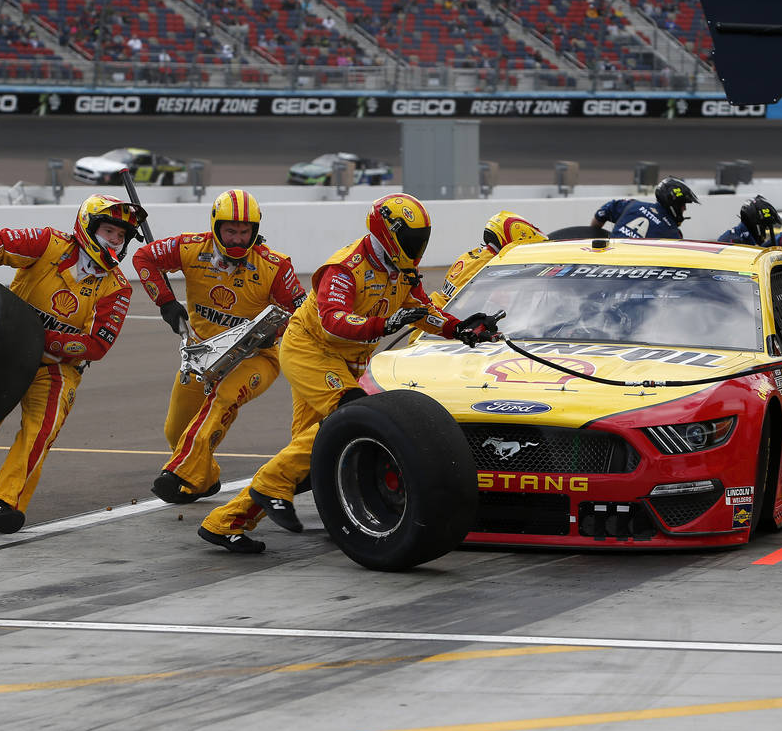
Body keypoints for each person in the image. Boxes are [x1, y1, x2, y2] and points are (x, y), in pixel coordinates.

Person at [197, 193, 503, 553]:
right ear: (388, 233)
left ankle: (225, 522)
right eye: (411, 239)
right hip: (311, 348)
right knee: (349, 419)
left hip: (345, 359)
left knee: (314, 451)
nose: (417, 246)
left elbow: (421, 310)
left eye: (421, 239)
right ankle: (269, 485)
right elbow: (332, 320)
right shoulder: (344, 268)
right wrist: (384, 323)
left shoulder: (401, 268)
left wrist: (460, 329)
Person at [0, 194, 141, 534]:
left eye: (121, 236)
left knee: (40, 431)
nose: (115, 240)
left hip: (57, 368)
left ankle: (4, 503)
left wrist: (40, 338)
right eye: (109, 230)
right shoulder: (48, 244)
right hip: (3, 357)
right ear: (88, 226)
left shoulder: (118, 287)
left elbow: (97, 345)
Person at [132, 189, 307, 505]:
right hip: (202, 356)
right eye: (231, 231)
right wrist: (166, 302)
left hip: (255, 357)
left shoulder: (275, 265)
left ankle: (178, 473)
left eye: (245, 232)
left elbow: (302, 311)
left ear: (255, 230)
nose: (238, 239)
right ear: (216, 226)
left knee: (223, 398)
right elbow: (144, 257)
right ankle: (205, 479)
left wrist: (274, 330)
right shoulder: (190, 247)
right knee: (176, 431)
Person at [429, 210, 546, 307]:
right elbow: (467, 307)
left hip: (431, 318)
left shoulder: (470, 256)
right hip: (442, 326)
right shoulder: (491, 266)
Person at [589, 176, 697, 239]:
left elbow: (602, 213)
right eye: (683, 205)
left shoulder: (631, 204)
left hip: (606, 261)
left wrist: (594, 233)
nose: (684, 209)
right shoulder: (672, 233)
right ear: (675, 204)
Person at [717, 195, 782, 246]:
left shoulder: (748, 238)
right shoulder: (733, 240)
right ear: (754, 223)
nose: (765, 231)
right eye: (764, 227)